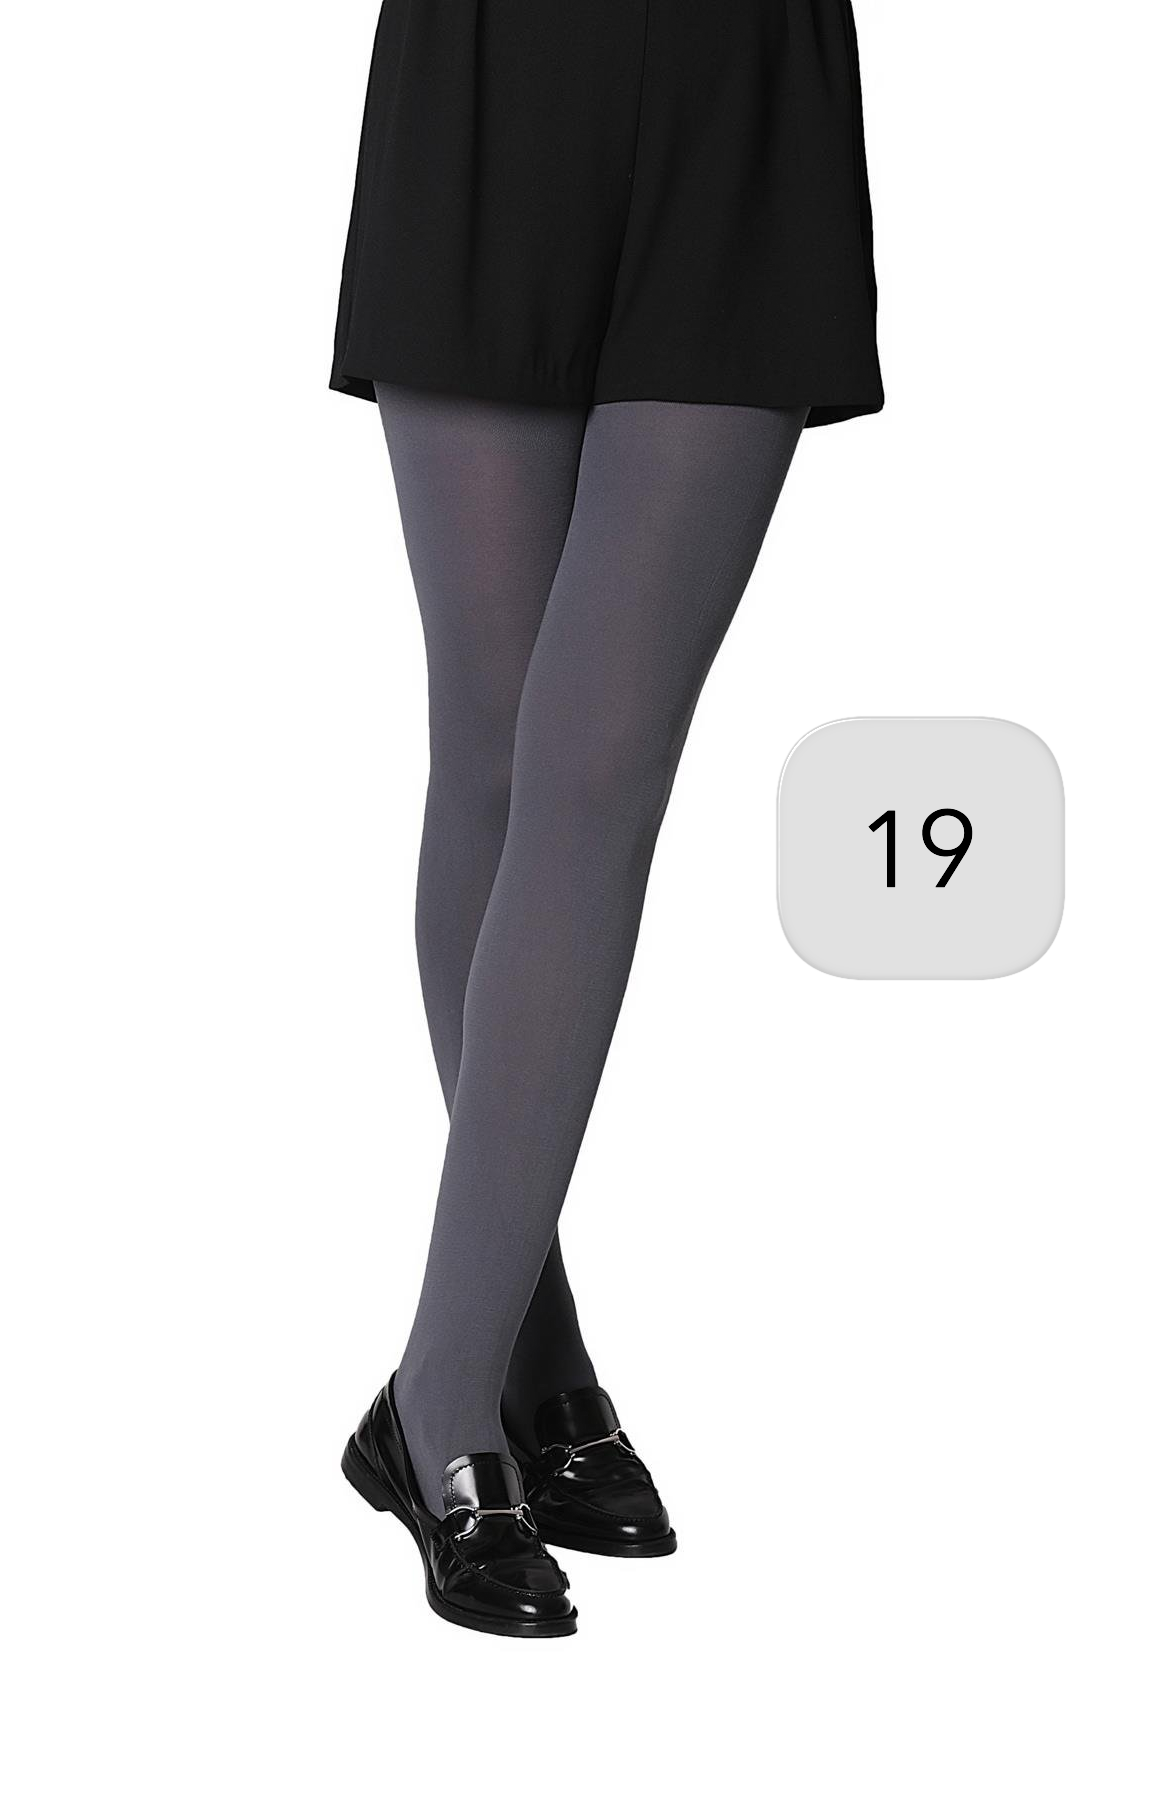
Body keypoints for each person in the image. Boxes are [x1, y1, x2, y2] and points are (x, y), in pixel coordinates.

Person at [331, 0, 882, 1638]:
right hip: (493, 64)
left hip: (744, 85)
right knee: (497, 757)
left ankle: (435, 1390)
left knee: (599, 765)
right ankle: (514, 1362)